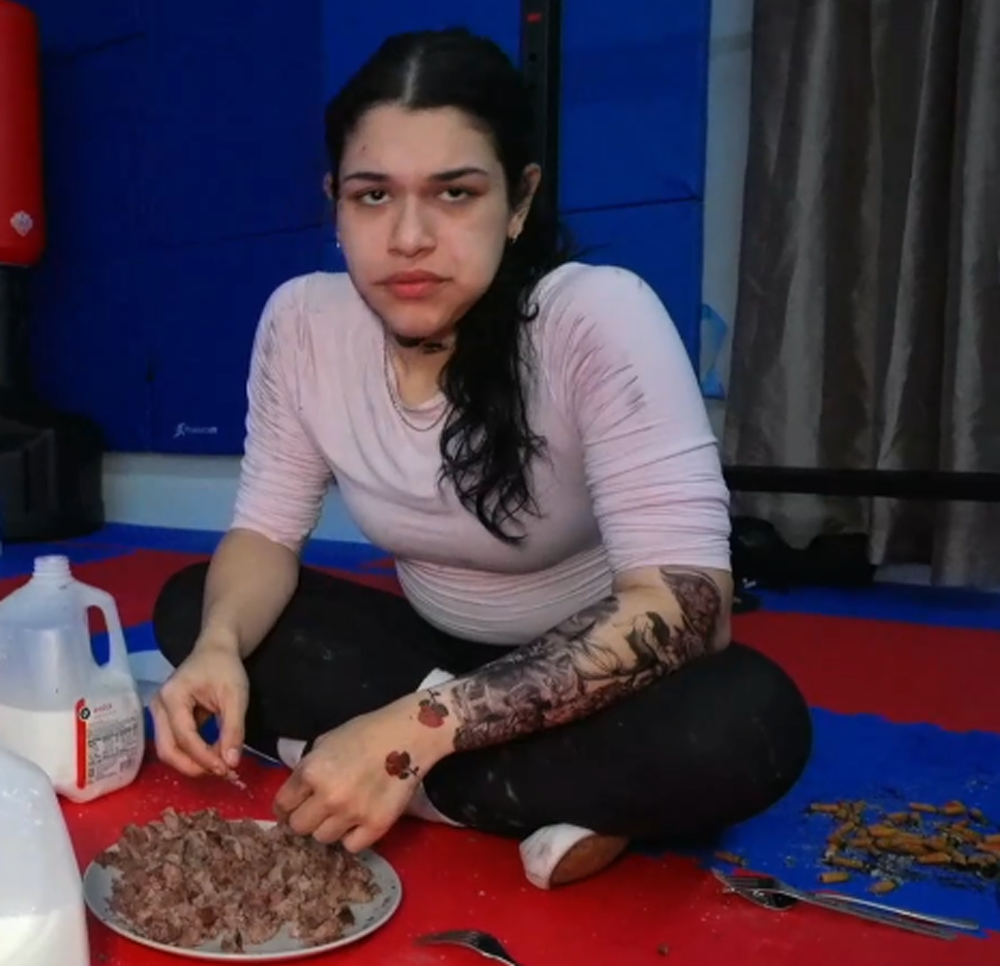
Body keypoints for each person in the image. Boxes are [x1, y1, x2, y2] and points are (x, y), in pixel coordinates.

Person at [149, 26, 813, 890]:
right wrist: (219, 645)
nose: (410, 237)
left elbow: (688, 608)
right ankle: (528, 799)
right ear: (334, 203)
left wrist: (409, 734)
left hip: (589, 674)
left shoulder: (595, 317)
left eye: (455, 193)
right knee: (193, 609)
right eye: (373, 196)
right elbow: (266, 534)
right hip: (422, 653)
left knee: (747, 721)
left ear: (520, 201)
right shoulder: (301, 324)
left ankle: (386, 775)